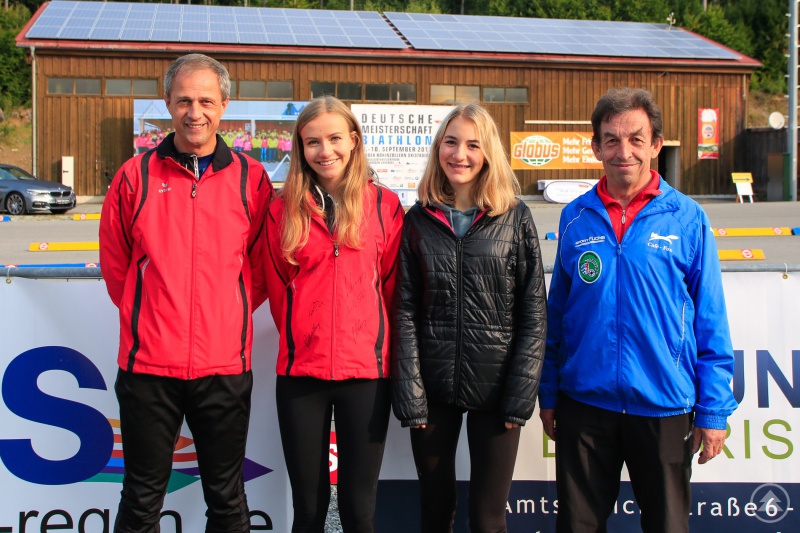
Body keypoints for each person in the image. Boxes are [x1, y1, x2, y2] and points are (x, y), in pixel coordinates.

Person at [538, 87, 737, 533]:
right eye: (610, 139)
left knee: (667, 526)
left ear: (655, 145)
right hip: (585, 404)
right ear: (595, 147)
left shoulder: (687, 218)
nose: (623, 151)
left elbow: (710, 322)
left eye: (635, 138)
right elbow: (557, 319)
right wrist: (548, 393)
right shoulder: (575, 218)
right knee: (578, 527)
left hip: (665, 406)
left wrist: (713, 411)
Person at [99, 53, 273, 532]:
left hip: (223, 368)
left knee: (227, 499)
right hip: (148, 368)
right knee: (140, 500)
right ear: (167, 103)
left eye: (205, 101)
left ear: (224, 106)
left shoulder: (251, 179)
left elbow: (259, 267)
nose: (194, 112)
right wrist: (154, 313)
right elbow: (117, 269)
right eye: (183, 101)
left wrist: (224, 311)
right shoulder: (134, 176)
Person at [391, 102, 547, 533]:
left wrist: (520, 394)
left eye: (472, 145)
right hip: (433, 391)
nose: (460, 154)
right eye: (451, 142)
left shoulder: (515, 218)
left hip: (498, 394)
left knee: (488, 519)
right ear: (439, 148)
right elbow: (403, 310)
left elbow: (534, 313)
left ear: (488, 153)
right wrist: (412, 390)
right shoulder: (418, 220)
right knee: (436, 510)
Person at [264, 95, 404, 532]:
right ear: (300, 148)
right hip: (300, 375)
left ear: (355, 141)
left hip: (366, 375)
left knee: (358, 511)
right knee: (308, 508)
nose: (325, 151)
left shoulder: (385, 205)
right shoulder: (281, 208)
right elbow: (277, 288)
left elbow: (390, 288)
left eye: (335, 138)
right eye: (312, 142)